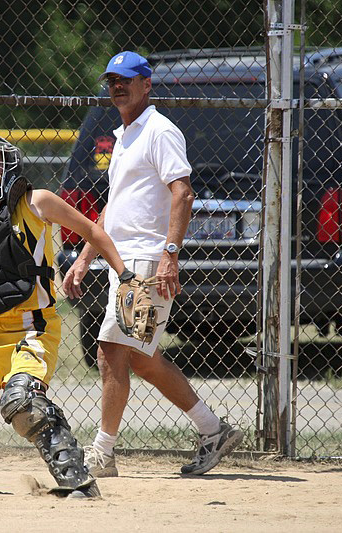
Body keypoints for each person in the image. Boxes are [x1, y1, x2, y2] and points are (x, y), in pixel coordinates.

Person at [0, 133, 135, 499]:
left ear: (10, 164)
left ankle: (76, 479)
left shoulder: (37, 202)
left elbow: (93, 230)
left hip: (32, 326)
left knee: (23, 402)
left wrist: (124, 274)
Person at [63, 51, 244, 477]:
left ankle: (102, 453)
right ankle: (213, 429)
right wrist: (86, 256)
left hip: (145, 261)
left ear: (147, 84)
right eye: (111, 81)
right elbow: (116, 206)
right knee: (141, 358)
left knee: (110, 353)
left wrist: (170, 256)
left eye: (126, 79)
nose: (117, 87)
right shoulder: (123, 135)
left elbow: (183, 193)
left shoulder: (160, 131)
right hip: (121, 261)